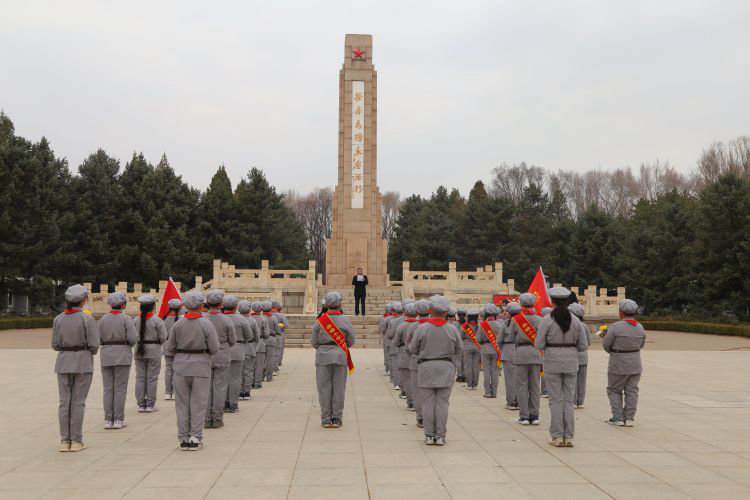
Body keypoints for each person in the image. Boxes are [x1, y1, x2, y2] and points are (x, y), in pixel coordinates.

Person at [163, 291, 220, 451]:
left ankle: (183, 438)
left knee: (181, 404)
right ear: (202, 306)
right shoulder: (207, 324)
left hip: (181, 365)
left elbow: (170, 347)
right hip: (201, 365)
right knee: (198, 403)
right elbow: (215, 348)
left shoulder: (178, 324)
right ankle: (195, 437)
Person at [536, 287, 588, 448]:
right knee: (568, 400)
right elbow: (583, 345)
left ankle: (557, 436)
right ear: (567, 301)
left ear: (551, 301)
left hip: (552, 361)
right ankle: (569, 436)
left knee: (556, 400)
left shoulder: (546, 320)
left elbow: (539, 343)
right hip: (571, 361)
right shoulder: (576, 320)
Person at [409, 295, 462, 446]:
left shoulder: (422, 328)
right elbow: (459, 349)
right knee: (443, 403)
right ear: (446, 311)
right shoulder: (452, 329)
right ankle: (440, 435)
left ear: (430, 310)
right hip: (446, 367)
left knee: (427, 403)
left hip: (426, 367)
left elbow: (412, 348)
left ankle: (429, 435)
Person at [53, 284, 99, 452]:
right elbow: (94, 344)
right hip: (82, 361)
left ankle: (65, 441)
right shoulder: (87, 319)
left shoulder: (58, 319)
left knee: (64, 402)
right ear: (83, 300)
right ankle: (77, 441)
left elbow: (55, 344)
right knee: (78, 402)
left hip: (63, 361)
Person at [311, 291, 356, 428]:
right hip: (340, 356)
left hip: (323, 355)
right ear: (339, 304)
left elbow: (314, 342)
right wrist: (339, 347)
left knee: (324, 388)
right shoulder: (345, 320)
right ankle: (337, 418)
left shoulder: (320, 321)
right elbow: (351, 341)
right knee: (339, 388)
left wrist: (324, 348)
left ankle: (325, 418)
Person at [603, 299, 646, 427]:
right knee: (632, 390)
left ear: (621, 312)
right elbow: (641, 344)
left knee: (614, 389)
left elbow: (606, 344)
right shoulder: (639, 327)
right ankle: (629, 418)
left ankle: (618, 417)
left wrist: (613, 351)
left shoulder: (616, 327)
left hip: (618, 362)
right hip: (635, 362)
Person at [99, 291, 137, 429]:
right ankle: (119, 419)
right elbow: (133, 339)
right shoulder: (126, 319)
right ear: (123, 304)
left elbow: (99, 338)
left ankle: (108, 419)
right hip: (122, 354)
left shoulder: (102, 319)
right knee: (120, 389)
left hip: (106, 354)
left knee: (108, 388)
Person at [204, 289, 236, 428]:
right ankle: (217, 418)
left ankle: (206, 418)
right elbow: (232, 340)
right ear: (221, 304)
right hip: (222, 354)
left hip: (205, 355)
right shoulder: (226, 319)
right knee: (220, 387)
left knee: (205, 388)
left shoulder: (203, 319)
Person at [510, 295, 542, 425]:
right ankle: (535, 415)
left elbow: (512, 337)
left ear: (521, 304)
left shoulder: (515, 320)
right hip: (536, 353)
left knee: (522, 386)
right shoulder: (541, 319)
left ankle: (524, 416)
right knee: (535, 386)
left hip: (521, 353)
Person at [134, 295, 167, 413]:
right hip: (154, 350)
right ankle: (150, 404)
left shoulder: (135, 320)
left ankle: (141, 404)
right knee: (152, 378)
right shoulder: (157, 320)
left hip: (139, 350)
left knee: (140, 378)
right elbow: (163, 337)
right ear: (153, 306)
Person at [222, 295, 251, 414]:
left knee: (222, 378)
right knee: (235, 378)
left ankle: (223, 402)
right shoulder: (242, 319)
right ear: (236, 307)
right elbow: (249, 335)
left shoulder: (220, 318)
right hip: (238, 349)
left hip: (222, 350)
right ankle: (233, 404)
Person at [408, 299, 431, 426]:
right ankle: (431, 417)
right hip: (433, 361)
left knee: (417, 391)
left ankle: (421, 417)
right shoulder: (439, 325)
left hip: (416, 360)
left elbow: (409, 346)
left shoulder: (413, 326)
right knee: (431, 392)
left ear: (417, 311)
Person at [393, 303, 418, 408]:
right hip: (417, 353)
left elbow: (396, 342)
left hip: (404, 352)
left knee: (407, 380)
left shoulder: (401, 326)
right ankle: (418, 402)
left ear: (405, 313)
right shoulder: (420, 325)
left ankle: (411, 402)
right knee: (417, 380)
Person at [477, 303, 502, 398]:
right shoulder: (500, 325)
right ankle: (494, 392)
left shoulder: (482, 325)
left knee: (486, 371)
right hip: (496, 350)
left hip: (485, 349)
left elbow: (478, 339)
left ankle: (487, 392)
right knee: (495, 372)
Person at [568, 303, 591, 408]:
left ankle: (573, 400)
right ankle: (580, 401)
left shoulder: (569, 325)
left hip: (572, 355)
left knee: (572, 380)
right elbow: (588, 342)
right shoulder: (585, 326)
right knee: (582, 380)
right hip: (583, 356)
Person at [238, 300, 259, 400]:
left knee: (237, 372)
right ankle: (246, 392)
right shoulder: (252, 321)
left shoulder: (235, 319)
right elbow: (256, 336)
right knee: (248, 371)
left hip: (238, 347)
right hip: (250, 347)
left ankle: (238, 391)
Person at [163, 298, 182, 401]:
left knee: (169, 369)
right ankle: (175, 392)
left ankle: (168, 392)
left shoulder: (164, 319)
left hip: (166, 345)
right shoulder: (181, 319)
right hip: (178, 346)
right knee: (177, 370)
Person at [499, 304, 518, 410]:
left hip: (508, 351)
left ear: (509, 313)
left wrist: (504, 348)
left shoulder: (505, 324)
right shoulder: (524, 324)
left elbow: (499, 340)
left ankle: (511, 401)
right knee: (521, 379)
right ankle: (520, 401)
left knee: (509, 379)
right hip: (520, 350)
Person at [460, 309, 481, 390]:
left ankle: (469, 384)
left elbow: (461, 336)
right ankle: (475, 384)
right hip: (477, 347)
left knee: (468, 366)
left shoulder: (465, 326)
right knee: (476, 366)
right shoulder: (480, 325)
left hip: (467, 347)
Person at [385, 301, 404, 390]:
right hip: (407, 347)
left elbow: (389, 333)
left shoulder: (392, 321)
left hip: (394, 344)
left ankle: (397, 383)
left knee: (395, 364)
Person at [250, 301, 268, 389]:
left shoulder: (249, 318)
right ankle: (257, 382)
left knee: (250, 365)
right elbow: (266, 333)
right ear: (261, 309)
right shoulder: (263, 319)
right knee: (259, 364)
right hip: (260, 342)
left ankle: (249, 381)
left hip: (250, 343)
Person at [261, 300, 278, 382]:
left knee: (261, 359)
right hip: (271, 339)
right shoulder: (273, 318)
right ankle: (269, 376)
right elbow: (277, 330)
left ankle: (260, 376)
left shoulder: (260, 317)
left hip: (261, 339)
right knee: (270, 359)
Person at [274, 300, 289, 367]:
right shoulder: (281, 316)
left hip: (268, 335)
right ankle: (277, 364)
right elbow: (286, 325)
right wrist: (279, 325)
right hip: (279, 334)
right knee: (279, 350)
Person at [379, 303, 393, 376]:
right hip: (395, 339)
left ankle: (388, 369)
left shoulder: (384, 318)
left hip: (387, 338)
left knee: (387, 354)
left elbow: (382, 328)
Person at [454, 307, 467, 382]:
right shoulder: (467, 324)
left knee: (458, 361)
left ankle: (459, 375)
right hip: (466, 343)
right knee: (465, 360)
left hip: (458, 344)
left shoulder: (455, 324)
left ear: (458, 315)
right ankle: (464, 375)